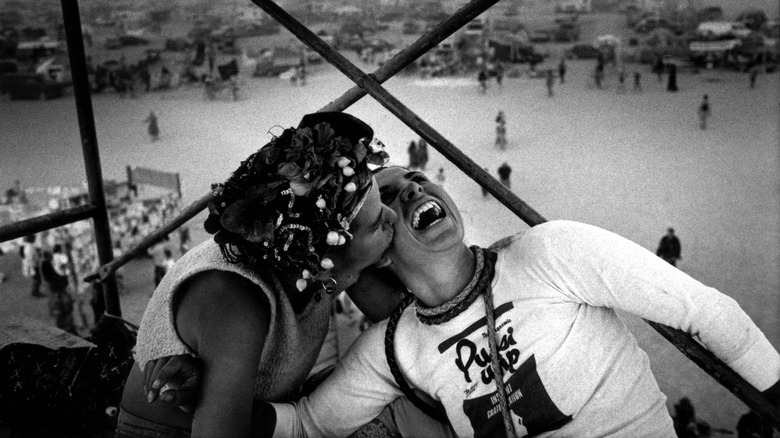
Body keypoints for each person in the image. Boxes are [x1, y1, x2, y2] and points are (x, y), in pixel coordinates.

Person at [146, 167, 780, 437]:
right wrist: (208, 388)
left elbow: (704, 312)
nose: (414, 190)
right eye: (386, 201)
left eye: (415, 179)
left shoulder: (552, 253)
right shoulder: (393, 349)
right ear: (377, 247)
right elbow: (309, 425)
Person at [115, 112, 398, 438]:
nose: (393, 217)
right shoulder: (239, 302)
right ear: (323, 255)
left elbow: (404, 324)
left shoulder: (311, 264)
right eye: (378, 223)